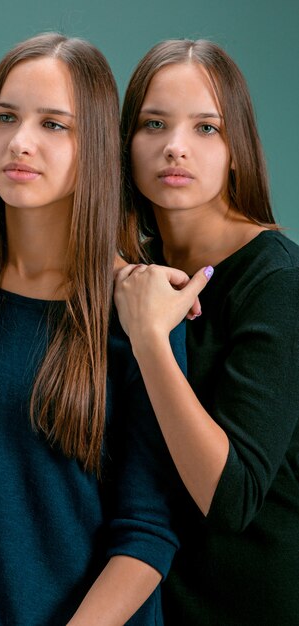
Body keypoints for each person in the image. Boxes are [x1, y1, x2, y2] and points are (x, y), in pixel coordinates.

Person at [0, 33, 187, 626]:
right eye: (5, 117)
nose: (19, 142)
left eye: (54, 125)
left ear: (95, 147)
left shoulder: (143, 313)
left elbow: (148, 532)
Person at [115, 39, 299, 625]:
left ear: (238, 149)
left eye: (206, 129)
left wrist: (151, 341)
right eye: (154, 124)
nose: (175, 147)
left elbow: (232, 498)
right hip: (154, 602)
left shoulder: (278, 282)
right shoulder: (130, 273)